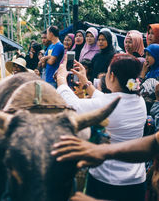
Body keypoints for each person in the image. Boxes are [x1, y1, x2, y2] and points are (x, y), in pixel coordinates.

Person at [55, 53, 146, 201]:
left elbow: (73, 104)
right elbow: (104, 99)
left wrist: (61, 79)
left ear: (112, 76)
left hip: (108, 182)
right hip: (136, 182)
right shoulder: (138, 100)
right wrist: (86, 83)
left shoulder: (109, 104)